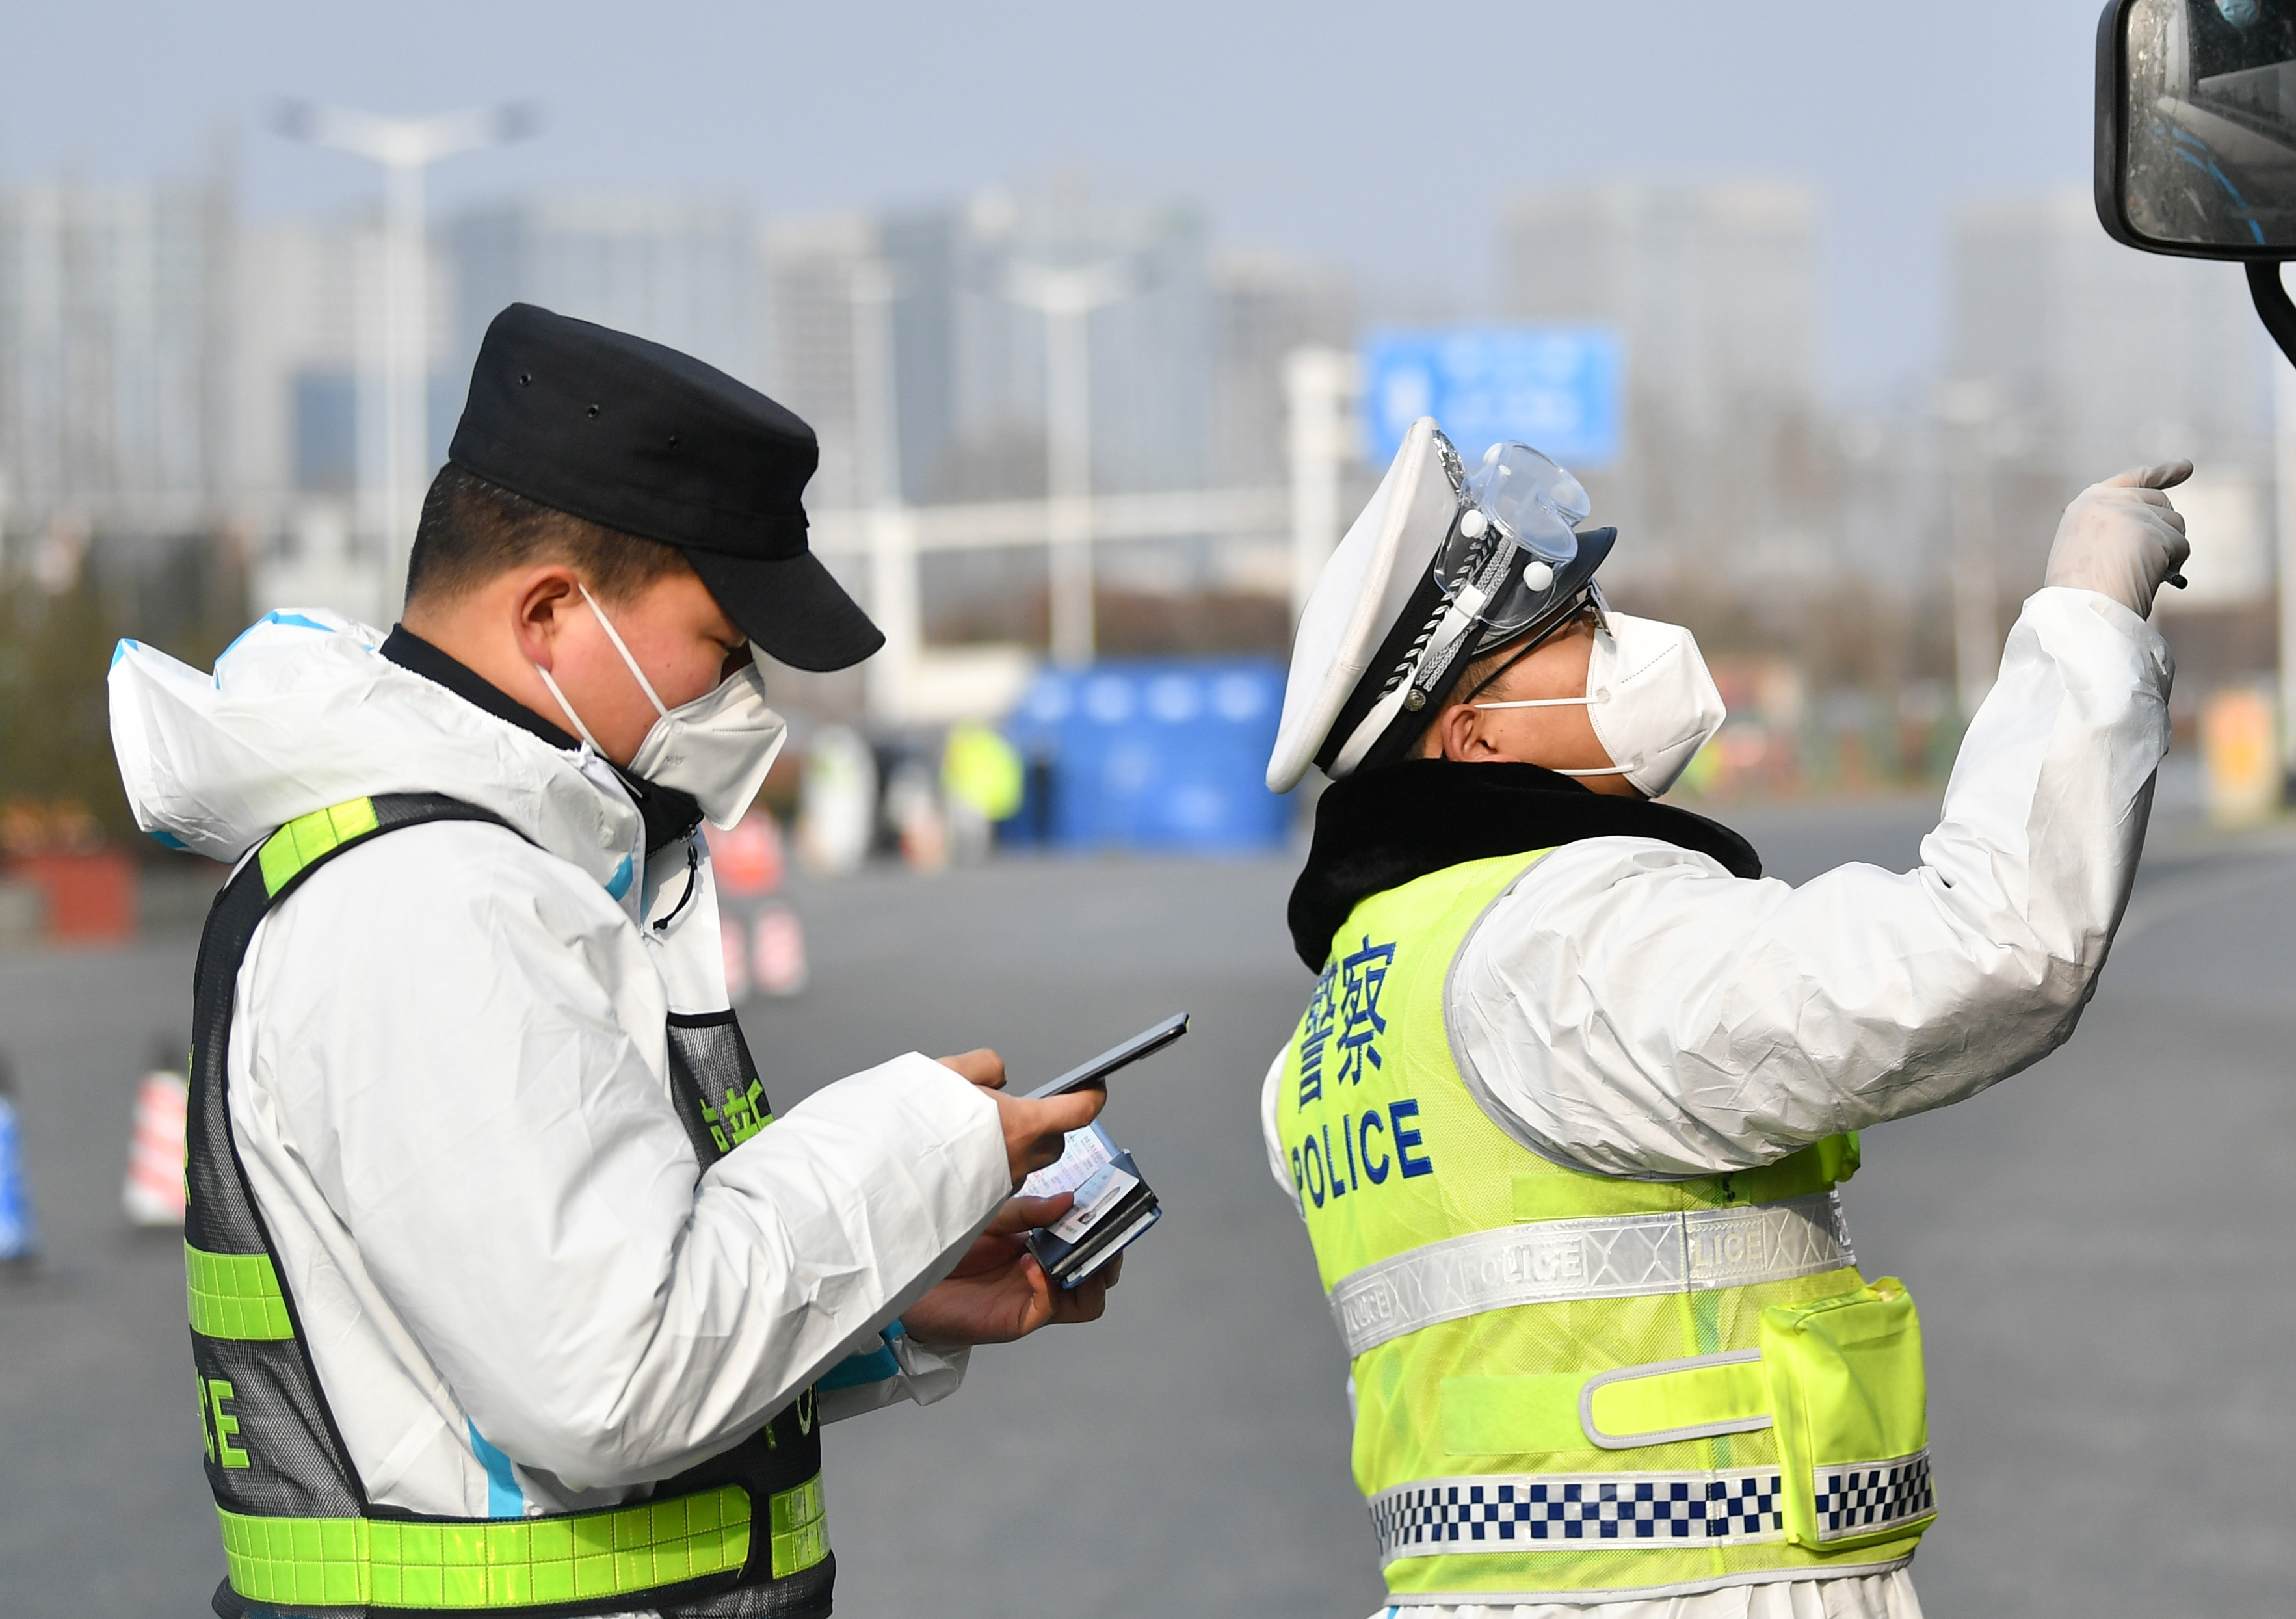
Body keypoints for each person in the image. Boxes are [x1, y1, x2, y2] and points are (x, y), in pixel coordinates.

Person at [110, 304, 1113, 1618]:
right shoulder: (434, 903)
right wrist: (914, 1148)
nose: (746, 700)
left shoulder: (491, 874)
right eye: (723, 648)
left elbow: (517, 1340)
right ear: (549, 613)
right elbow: (607, 1378)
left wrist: (890, 1294)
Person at [1258, 421, 2191, 1618]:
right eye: (1573, 629)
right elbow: (1988, 946)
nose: (1620, 643)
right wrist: (2086, 616)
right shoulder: (1567, 950)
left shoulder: (1343, 1024)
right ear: (1474, 734)